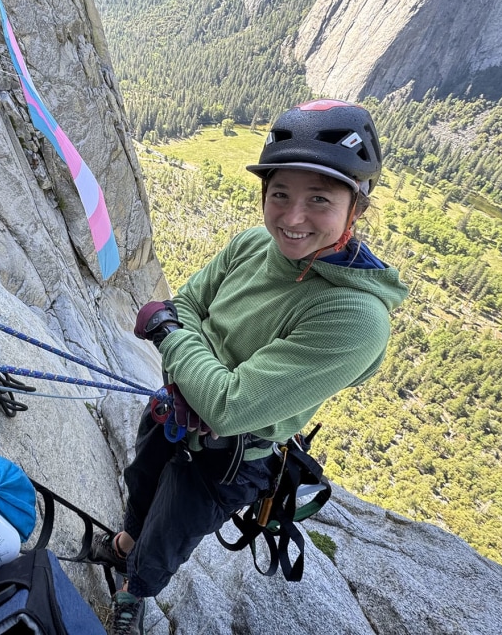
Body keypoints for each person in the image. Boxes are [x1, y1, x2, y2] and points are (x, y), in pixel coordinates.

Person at [93, 99, 409, 634]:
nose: (292, 217)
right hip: (171, 409)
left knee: (172, 531)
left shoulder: (355, 318)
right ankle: (124, 543)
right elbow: (188, 302)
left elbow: (228, 403)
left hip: (234, 455)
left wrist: (173, 338)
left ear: (355, 206)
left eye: (319, 199)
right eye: (280, 193)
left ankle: (134, 590)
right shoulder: (252, 243)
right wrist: (190, 357)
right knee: (141, 481)